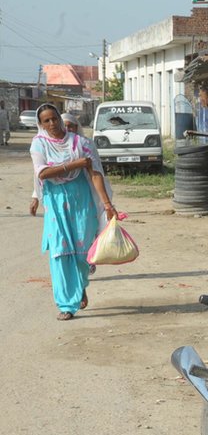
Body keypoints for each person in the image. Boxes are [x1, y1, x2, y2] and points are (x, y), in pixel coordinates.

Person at [29, 104, 116, 320]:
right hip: (55, 201)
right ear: (41, 124)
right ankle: (67, 305)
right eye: (46, 121)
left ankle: (80, 286)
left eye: (54, 119)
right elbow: (43, 173)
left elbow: (95, 174)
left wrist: (107, 204)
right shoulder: (38, 144)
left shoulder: (82, 143)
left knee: (81, 252)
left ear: (60, 118)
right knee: (59, 251)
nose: (52, 124)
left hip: (81, 200)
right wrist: (74, 164)